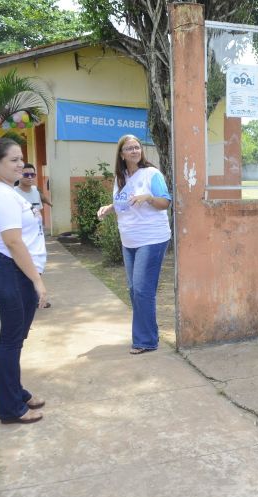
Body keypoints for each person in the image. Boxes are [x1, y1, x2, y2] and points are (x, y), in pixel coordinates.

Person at [0, 138, 48, 424]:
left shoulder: (7, 192)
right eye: (13, 160)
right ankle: (10, 408)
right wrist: (37, 280)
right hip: (11, 271)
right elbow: (12, 241)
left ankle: (16, 392)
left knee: (15, 339)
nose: (21, 164)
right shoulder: (3, 196)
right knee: (11, 340)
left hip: (12, 271)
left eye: (21, 158)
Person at [97, 135, 172, 355]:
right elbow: (125, 204)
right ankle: (148, 334)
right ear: (121, 154)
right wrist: (109, 208)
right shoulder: (120, 178)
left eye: (137, 147)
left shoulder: (152, 174)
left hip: (151, 239)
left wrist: (148, 197)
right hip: (129, 240)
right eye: (129, 148)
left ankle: (145, 340)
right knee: (133, 290)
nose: (134, 151)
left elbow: (165, 202)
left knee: (142, 289)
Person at [15, 163, 53, 308]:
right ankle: (28, 301)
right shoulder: (14, 193)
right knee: (25, 272)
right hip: (22, 240)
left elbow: (37, 213)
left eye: (33, 175)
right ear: (20, 175)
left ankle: (37, 298)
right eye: (26, 175)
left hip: (37, 238)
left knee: (37, 268)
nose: (30, 177)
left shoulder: (36, 192)